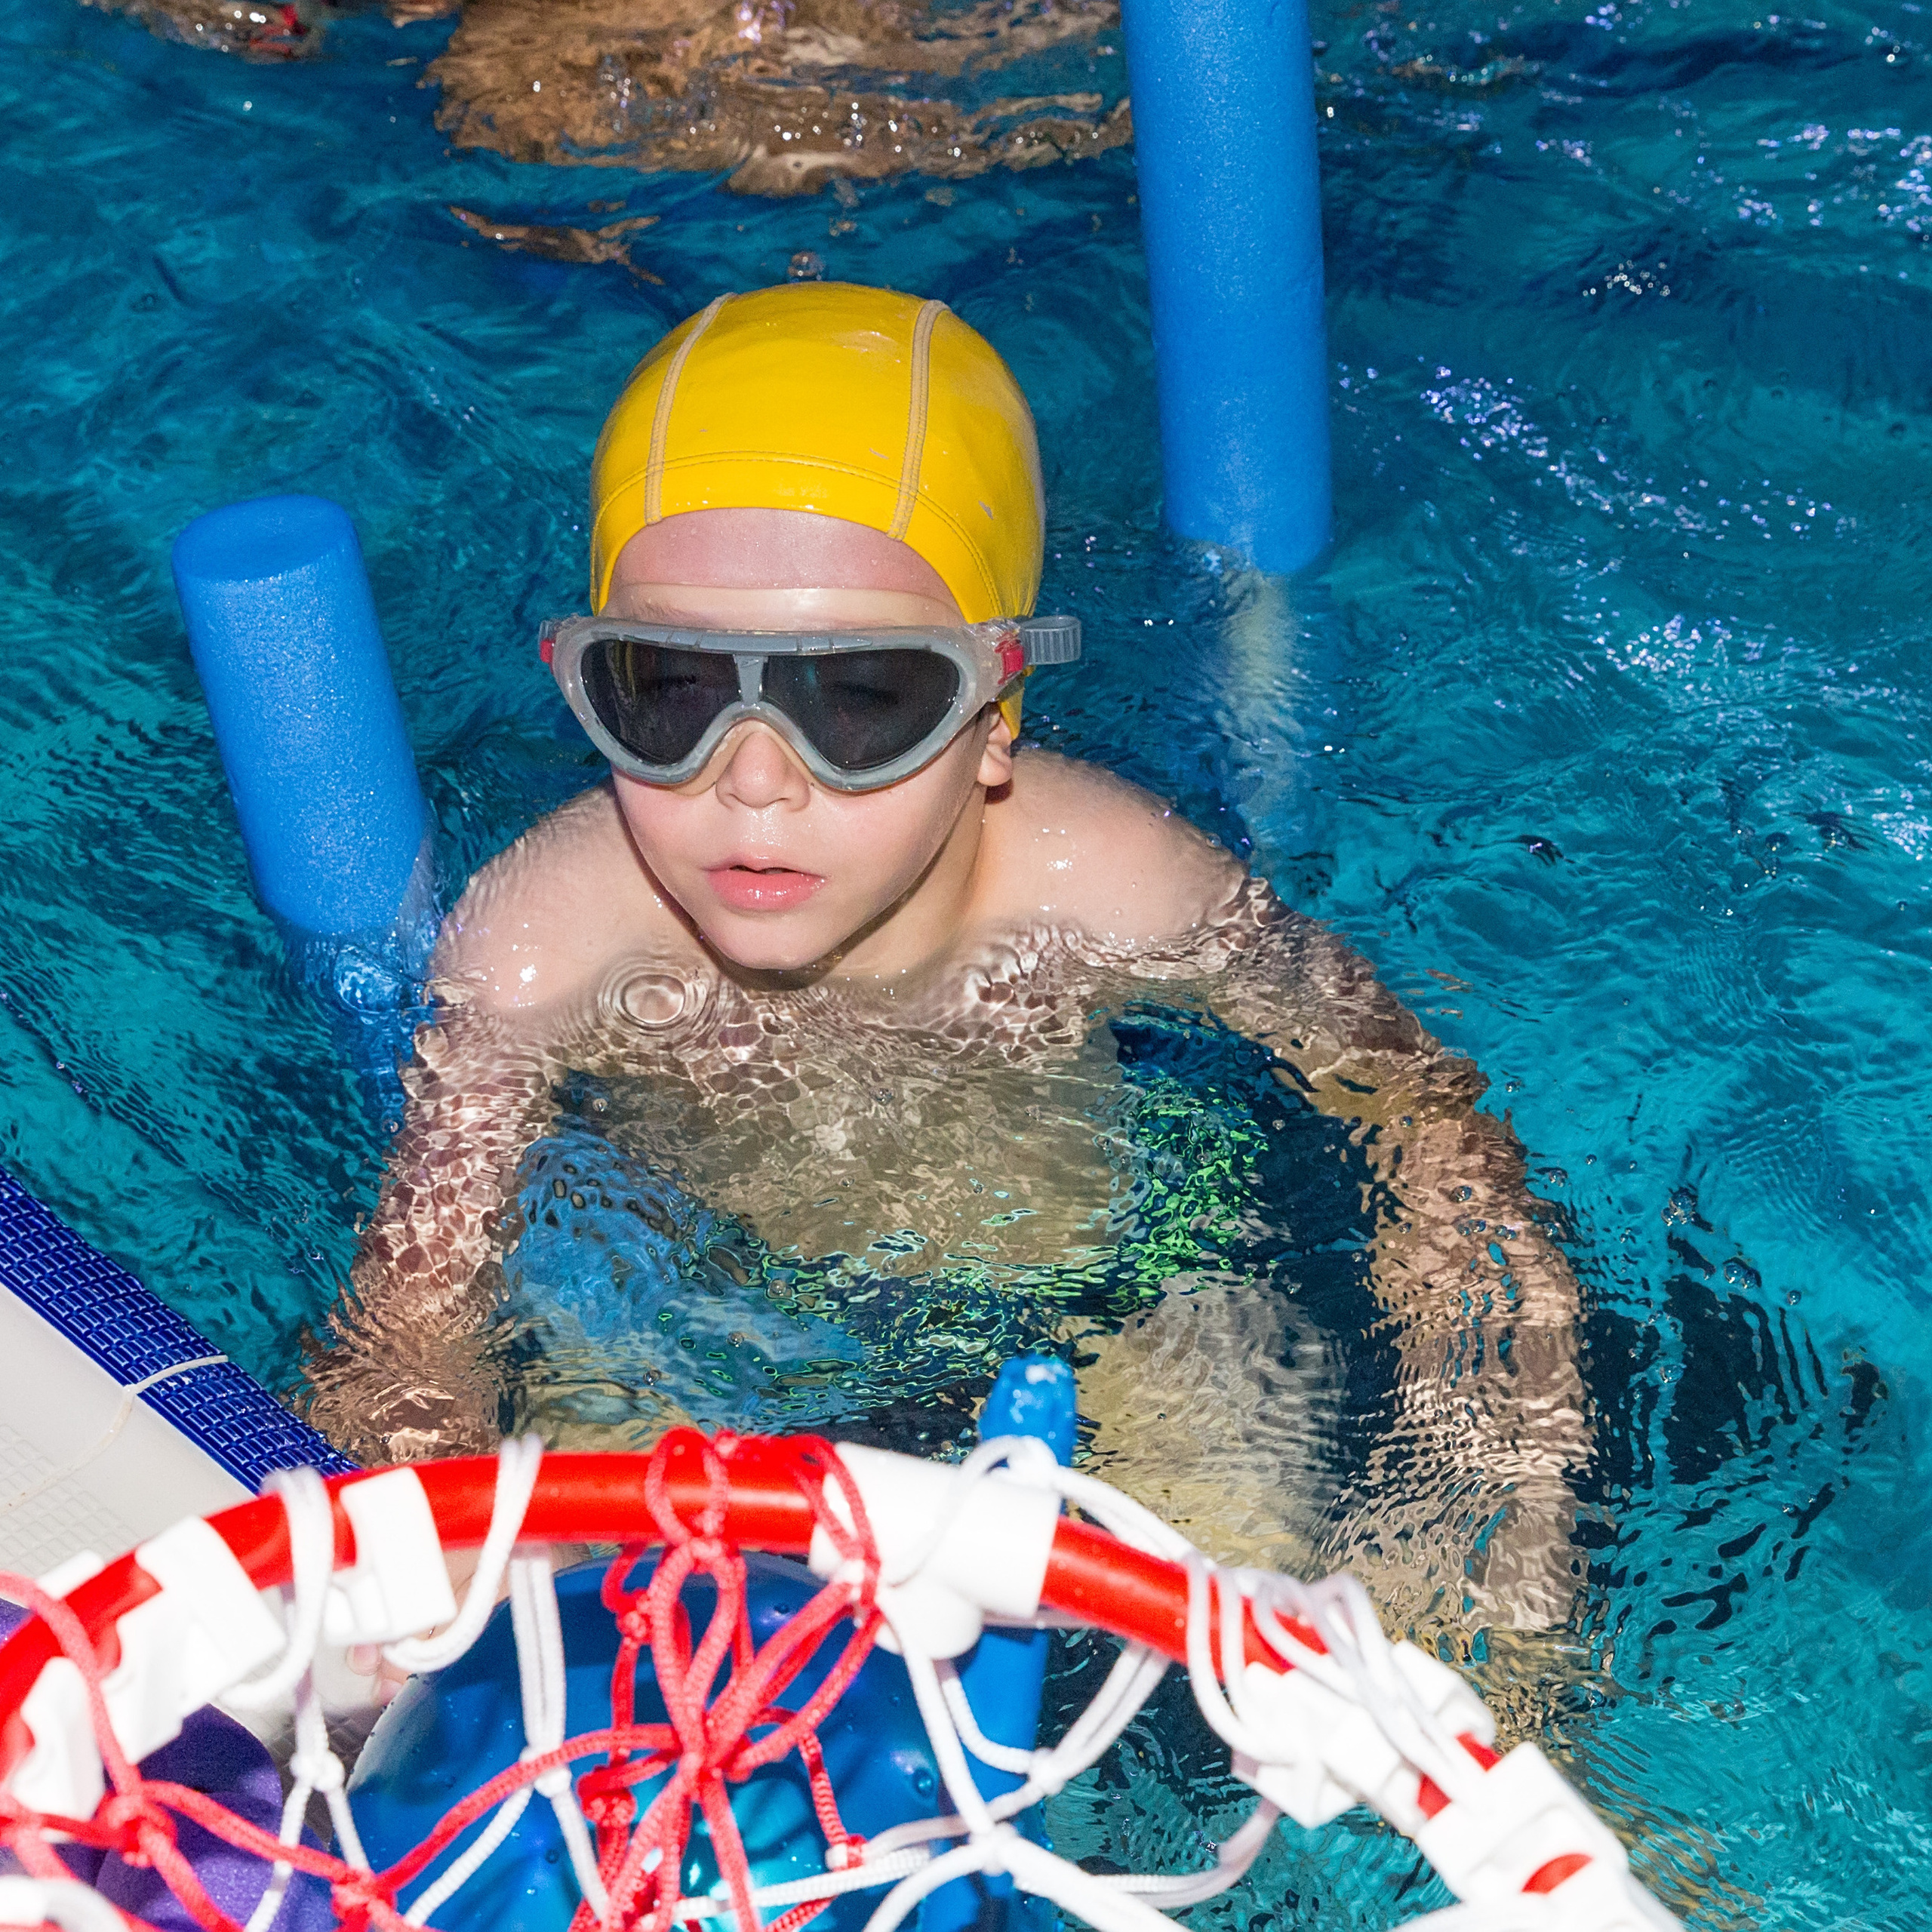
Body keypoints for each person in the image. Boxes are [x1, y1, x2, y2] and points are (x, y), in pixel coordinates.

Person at [306, 281, 1586, 1633]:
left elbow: (1423, 1119)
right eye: (669, 688)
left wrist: (1489, 1473)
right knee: (535, 1619)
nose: (754, 780)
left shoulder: (1114, 886)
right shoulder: (541, 945)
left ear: (994, 713)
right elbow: (410, 1325)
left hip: (1107, 1307)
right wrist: (405, 1559)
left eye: (860, 697)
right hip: (706, 1328)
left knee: (1298, 1633)